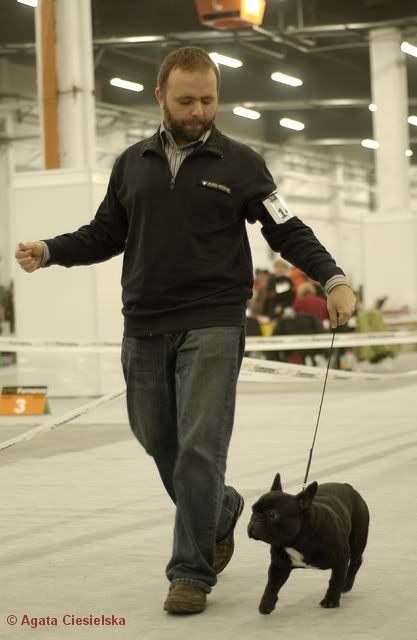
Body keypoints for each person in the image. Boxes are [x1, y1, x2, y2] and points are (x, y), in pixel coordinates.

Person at [15, 47, 356, 616]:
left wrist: (333, 277)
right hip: (144, 324)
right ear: (160, 97)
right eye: (186, 100)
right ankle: (220, 509)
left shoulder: (242, 163)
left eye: (208, 100)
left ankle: (191, 573)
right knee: (157, 438)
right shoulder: (131, 164)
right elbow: (104, 234)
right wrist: (50, 250)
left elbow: (286, 228)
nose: (198, 111)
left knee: (200, 446)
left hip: (214, 320)